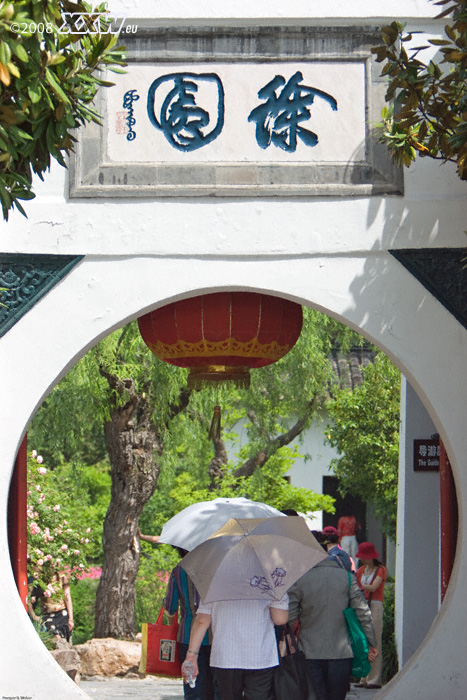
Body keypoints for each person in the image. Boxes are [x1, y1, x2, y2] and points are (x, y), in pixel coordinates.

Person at [139, 531, 219, 700]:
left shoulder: (179, 571)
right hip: (216, 635)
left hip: (187, 637)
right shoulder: (214, 569)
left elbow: (171, 607)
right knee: (216, 686)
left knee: (193, 685)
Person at [288, 555, 377, 700]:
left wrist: (288, 639)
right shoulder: (348, 578)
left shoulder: (301, 580)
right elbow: (363, 612)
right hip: (341, 652)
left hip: (309, 650)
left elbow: (290, 617)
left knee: (314, 696)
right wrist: (371, 642)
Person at [182, 594, 289, 700]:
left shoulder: (214, 581)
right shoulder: (270, 581)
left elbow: (202, 621)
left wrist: (191, 656)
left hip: (225, 656)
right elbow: (280, 619)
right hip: (259, 655)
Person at [354, 542, 387, 690]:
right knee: (364, 640)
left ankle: (374, 678)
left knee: (375, 640)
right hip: (363, 605)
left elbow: (374, 587)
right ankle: (364, 677)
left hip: (375, 604)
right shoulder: (361, 570)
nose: (362, 560)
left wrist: (359, 587)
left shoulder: (380, 570)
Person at [28, 565, 74, 645]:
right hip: (47, 615)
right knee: (53, 634)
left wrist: (71, 619)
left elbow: (67, 598)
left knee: (61, 635)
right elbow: (28, 597)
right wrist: (33, 615)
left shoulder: (62, 577)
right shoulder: (39, 580)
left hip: (61, 613)